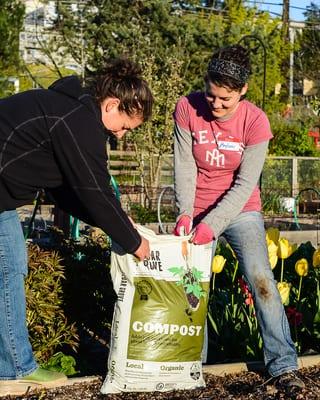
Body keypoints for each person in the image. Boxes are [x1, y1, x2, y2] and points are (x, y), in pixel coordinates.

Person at [0, 58, 153, 393]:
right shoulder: (81, 124)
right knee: (8, 269)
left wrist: (117, 221)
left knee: (9, 268)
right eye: (125, 125)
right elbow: (95, 192)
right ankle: (13, 370)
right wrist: (134, 241)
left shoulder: (73, 111)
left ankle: (12, 366)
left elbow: (66, 192)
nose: (122, 134)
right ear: (112, 104)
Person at [173, 44, 304, 390]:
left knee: (262, 281)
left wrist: (212, 225)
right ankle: (190, 369)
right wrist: (186, 214)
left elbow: (246, 183)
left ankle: (284, 364)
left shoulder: (256, 121)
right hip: (197, 209)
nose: (215, 104)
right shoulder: (186, 108)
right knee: (192, 289)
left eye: (224, 99)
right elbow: (185, 167)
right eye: (211, 95)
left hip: (241, 209)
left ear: (242, 91)